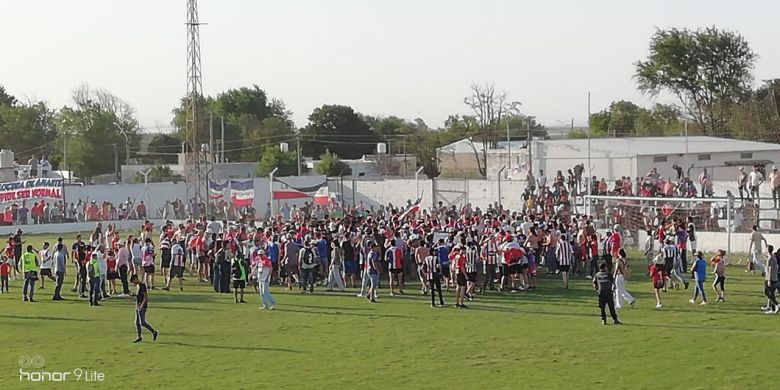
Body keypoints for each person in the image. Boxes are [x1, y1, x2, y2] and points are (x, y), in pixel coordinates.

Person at [130, 274, 159, 343]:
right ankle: (139, 337)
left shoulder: (143, 286)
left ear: (136, 279)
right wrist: (134, 295)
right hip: (138, 305)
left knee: (142, 322)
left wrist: (142, 306)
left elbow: (145, 297)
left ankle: (154, 332)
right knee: (137, 322)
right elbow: (139, 296)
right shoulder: (138, 286)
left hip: (142, 307)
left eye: (133, 282)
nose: (134, 283)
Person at [761, 247, 779, 314]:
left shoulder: (770, 258)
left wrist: (768, 280)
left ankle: (777, 305)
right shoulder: (773, 257)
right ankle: (773, 309)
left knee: (767, 292)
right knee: (772, 294)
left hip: (770, 278)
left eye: (766, 249)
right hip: (774, 278)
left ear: (768, 250)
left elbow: (770, 269)